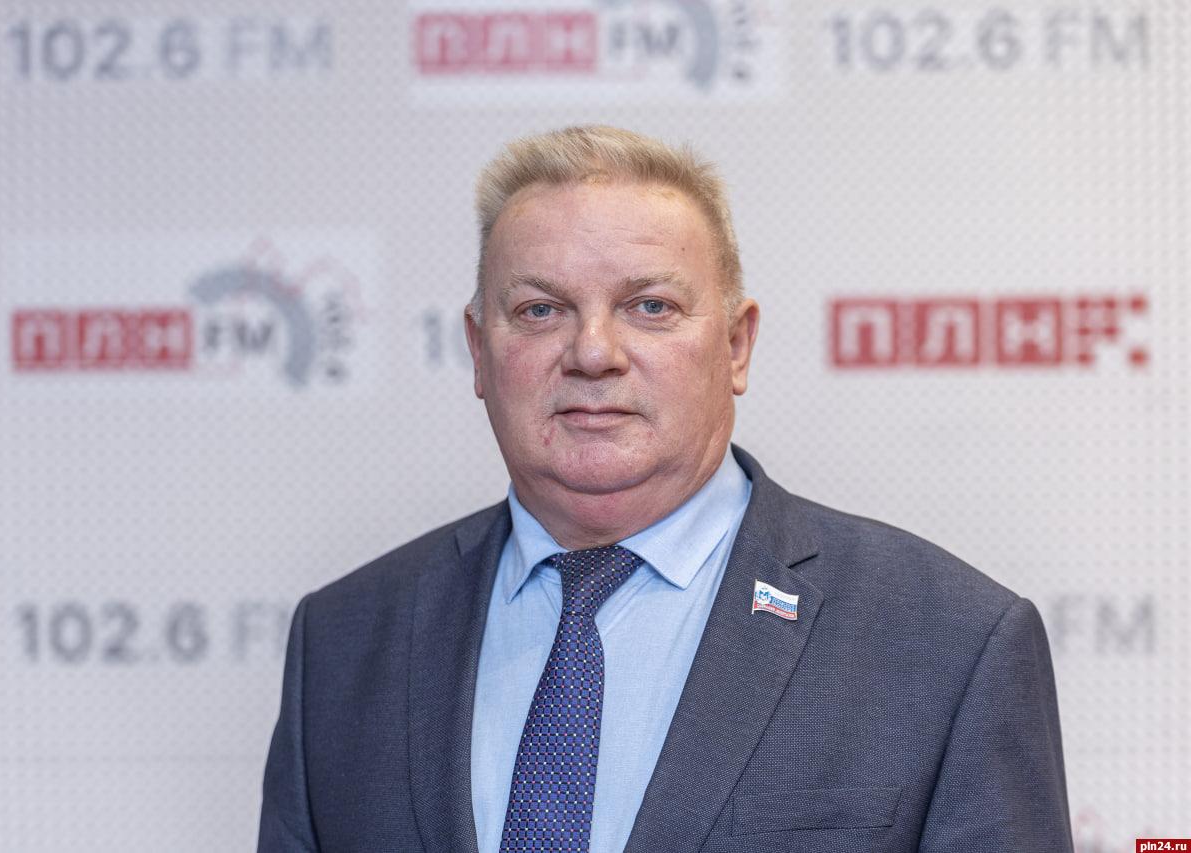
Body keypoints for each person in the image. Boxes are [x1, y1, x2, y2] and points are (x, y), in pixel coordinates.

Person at [258, 126, 1073, 852]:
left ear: (737, 345)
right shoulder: (343, 643)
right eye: (540, 310)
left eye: (650, 306)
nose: (593, 352)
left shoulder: (948, 642)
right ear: (479, 350)